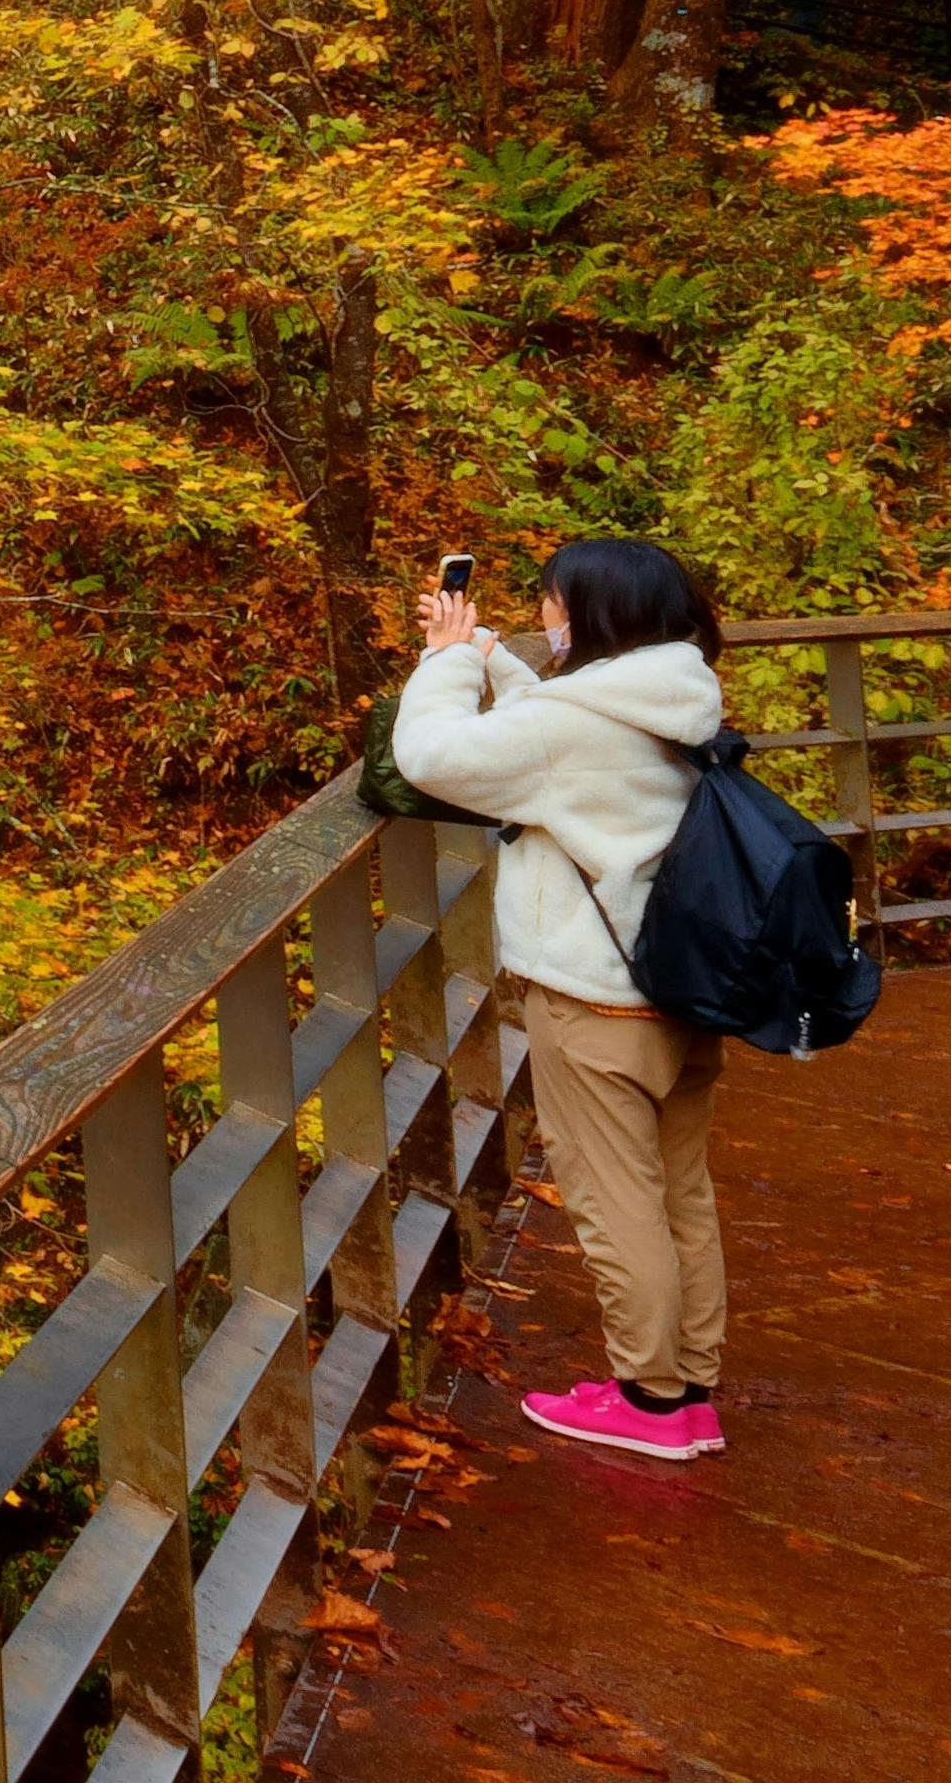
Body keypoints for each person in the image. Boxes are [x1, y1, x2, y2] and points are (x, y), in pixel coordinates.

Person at [391, 536, 734, 1461]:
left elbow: (430, 754)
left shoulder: (572, 727)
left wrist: (443, 663)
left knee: (615, 1201)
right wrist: (489, 656)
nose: (542, 615)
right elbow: (562, 726)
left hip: (594, 1000)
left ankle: (650, 1403)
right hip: (681, 987)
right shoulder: (678, 692)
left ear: (584, 615)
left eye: (549, 602)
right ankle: (688, 1388)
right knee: (679, 1193)